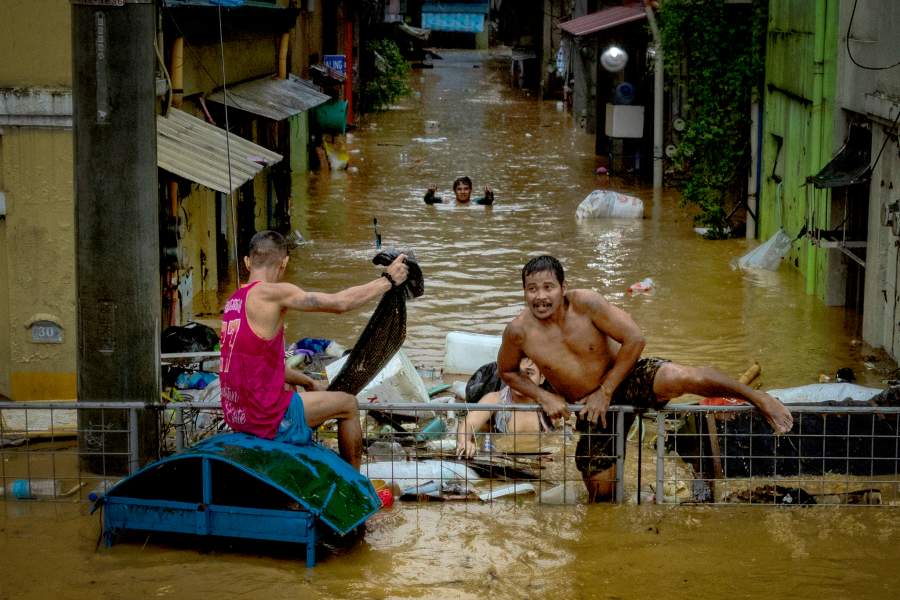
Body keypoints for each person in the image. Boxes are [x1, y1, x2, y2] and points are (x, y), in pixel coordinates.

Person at [497, 255, 795, 502]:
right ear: (524, 292)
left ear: (563, 287)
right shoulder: (519, 331)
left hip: (625, 377)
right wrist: (543, 395)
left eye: (548, 287)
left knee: (682, 377)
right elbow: (506, 371)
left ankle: (758, 397)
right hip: (592, 408)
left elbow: (635, 339)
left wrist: (607, 389)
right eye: (532, 289)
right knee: (601, 495)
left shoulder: (586, 303)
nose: (540, 297)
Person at [220, 230, 409, 469]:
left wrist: (308, 382)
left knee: (301, 390)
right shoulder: (273, 293)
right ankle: (353, 482)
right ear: (284, 262)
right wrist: (387, 280)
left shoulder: (233, 301)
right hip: (265, 417)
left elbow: (264, 364)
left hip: (237, 414)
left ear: (248, 262)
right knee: (348, 404)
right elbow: (340, 304)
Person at [456, 357, 554, 458]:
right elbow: (468, 424)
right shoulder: (495, 400)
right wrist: (465, 442)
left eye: (529, 373)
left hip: (535, 463)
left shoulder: (549, 408)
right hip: (501, 462)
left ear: (542, 378)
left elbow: (554, 440)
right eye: (516, 372)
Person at [424, 176, 494, 205]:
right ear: (454, 191)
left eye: (466, 189)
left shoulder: (476, 202)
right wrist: (430, 192)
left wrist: (489, 194)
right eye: (459, 189)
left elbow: (488, 201)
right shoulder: (447, 201)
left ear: (471, 190)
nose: (463, 192)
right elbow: (428, 200)